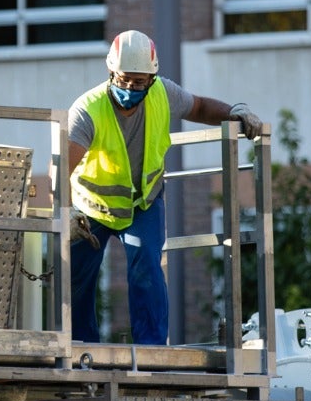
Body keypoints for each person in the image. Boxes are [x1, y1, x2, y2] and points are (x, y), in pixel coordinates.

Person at [68, 30, 262, 346]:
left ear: (152, 78)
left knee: (147, 269)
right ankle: (80, 352)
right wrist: (65, 211)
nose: (131, 87)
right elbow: (61, 168)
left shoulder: (163, 93)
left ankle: (151, 351)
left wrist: (233, 111)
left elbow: (198, 107)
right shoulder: (87, 110)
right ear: (111, 72)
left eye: (140, 81)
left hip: (143, 203)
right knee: (77, 280)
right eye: (125, 79)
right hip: (91, 208)